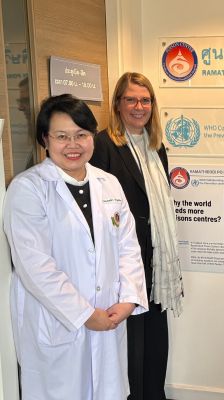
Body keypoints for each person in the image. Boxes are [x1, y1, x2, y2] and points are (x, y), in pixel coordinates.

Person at [4, 94, 148, 399]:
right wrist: (84, 314)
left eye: (81, 135)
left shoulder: (108, 183)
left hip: (109, 315)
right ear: (45, 139)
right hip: (58, 323)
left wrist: (128, 299)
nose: (73, 145)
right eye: (62, 136)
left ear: (92, 137)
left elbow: (128, 247)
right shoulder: (28, 188)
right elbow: (35, 267)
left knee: (107, 390)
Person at [90, 72, 183, 400]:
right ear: (118, 104)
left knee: (156, 341)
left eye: (145, 100)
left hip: (157, 260)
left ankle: (155, 395)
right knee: (131, 345)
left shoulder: (157, 147)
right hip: (126, 260)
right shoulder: (103, 145)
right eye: (131, 99)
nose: (139, 106)